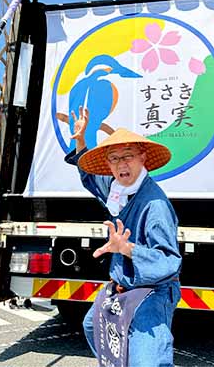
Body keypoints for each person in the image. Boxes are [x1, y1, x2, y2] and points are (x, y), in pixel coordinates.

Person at [66, 107, 182, 366]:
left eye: (127, 156)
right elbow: (89, 178)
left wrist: (128, 249)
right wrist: (81, 140)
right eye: (114, 158)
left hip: (152, 294)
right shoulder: (117, 191)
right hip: (121, 290)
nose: (121, 164)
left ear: (143, 158)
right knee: (92, 327)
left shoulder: (155, 205)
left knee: (148, 362)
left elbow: (169, 261)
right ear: (108, 165)